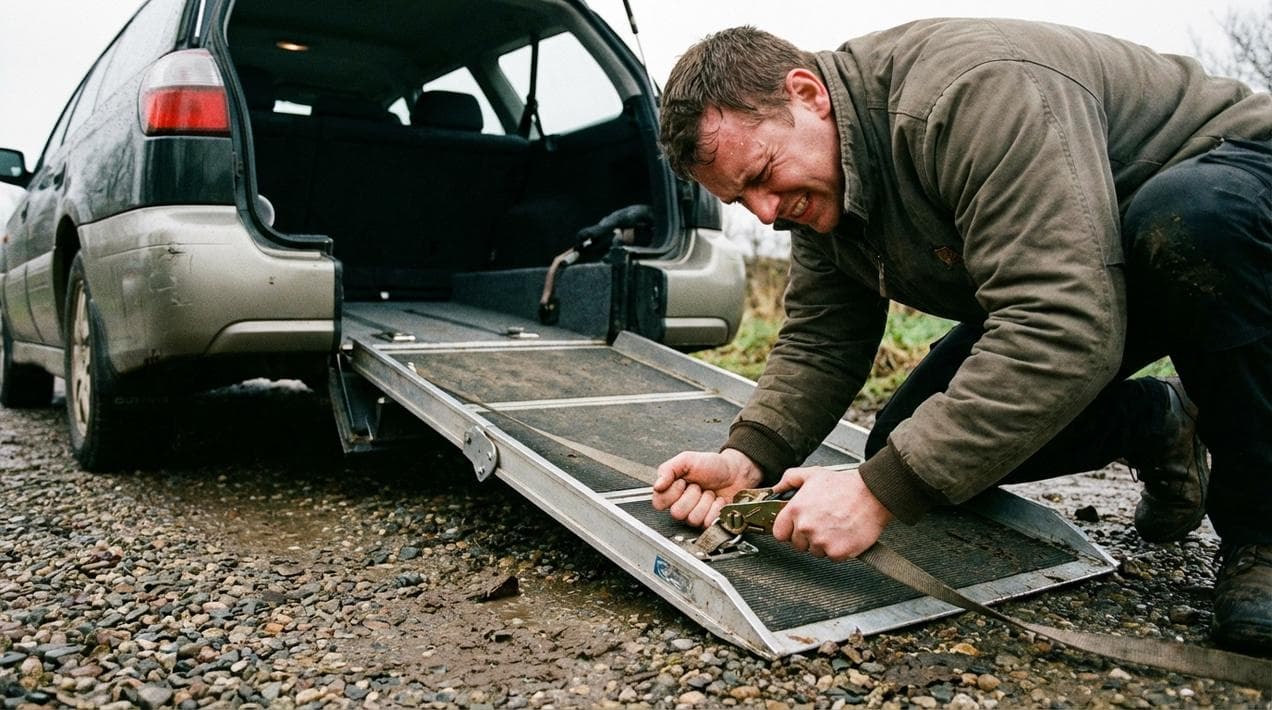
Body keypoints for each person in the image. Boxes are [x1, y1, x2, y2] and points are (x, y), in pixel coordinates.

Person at [652, 20, 1272, 653]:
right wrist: (749, 457)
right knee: (908, 446)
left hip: (1241, 199)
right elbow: (822, 339)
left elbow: (1061, 324)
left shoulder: (969, 96)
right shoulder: (818, 181)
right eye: (740, 199)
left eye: (761, 174)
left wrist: (873, 494)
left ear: (807, 93)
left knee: (1196, 221)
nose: (763, 211)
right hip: (1106, 262)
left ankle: (1264, 537)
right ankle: (1162, 422)